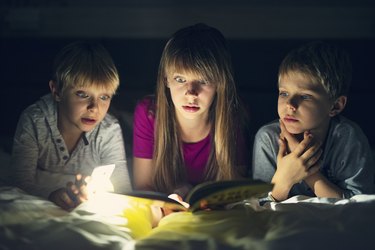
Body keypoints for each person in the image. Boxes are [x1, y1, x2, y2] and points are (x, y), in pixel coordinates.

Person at [10, 41, 132, 210]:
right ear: (57, 91)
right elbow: (19, 184)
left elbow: (123, 190)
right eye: (82, 94)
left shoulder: (108, 130)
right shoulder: (35, 121)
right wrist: (51, 195)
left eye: (104, 97)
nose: (94, 108)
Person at [132, 23, 249, 199]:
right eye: (180, 79)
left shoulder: (232, 116)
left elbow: (236, 189)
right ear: (166, 79)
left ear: (219, 83)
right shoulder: (148, 113)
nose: (191, 93)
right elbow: (143, 187)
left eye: (203, 81)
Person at [252, 41, 374, 202]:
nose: (290, 105)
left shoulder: (348, 137)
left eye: (305, 96)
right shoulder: (268, 138)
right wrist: (284, 180)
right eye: (284, 93)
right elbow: (258, 209)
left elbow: (358, 206)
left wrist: (309, 172)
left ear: (335, 106)